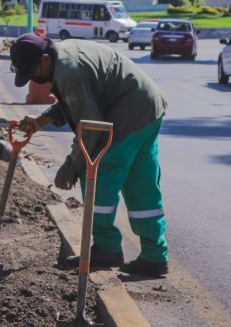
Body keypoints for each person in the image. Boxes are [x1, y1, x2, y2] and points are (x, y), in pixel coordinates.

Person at [12, 33, 169, 277]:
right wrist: (41, 120)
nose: (34, 79)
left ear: (44, 60)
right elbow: (76, 100)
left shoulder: (68, 71)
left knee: (96, 175)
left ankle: (107, 248)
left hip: (126, 114)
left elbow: (90, 126)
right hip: (148, 107)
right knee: (141, 184)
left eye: (32, 72)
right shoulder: (63, 55)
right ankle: (155, 255)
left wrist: (71, 166)